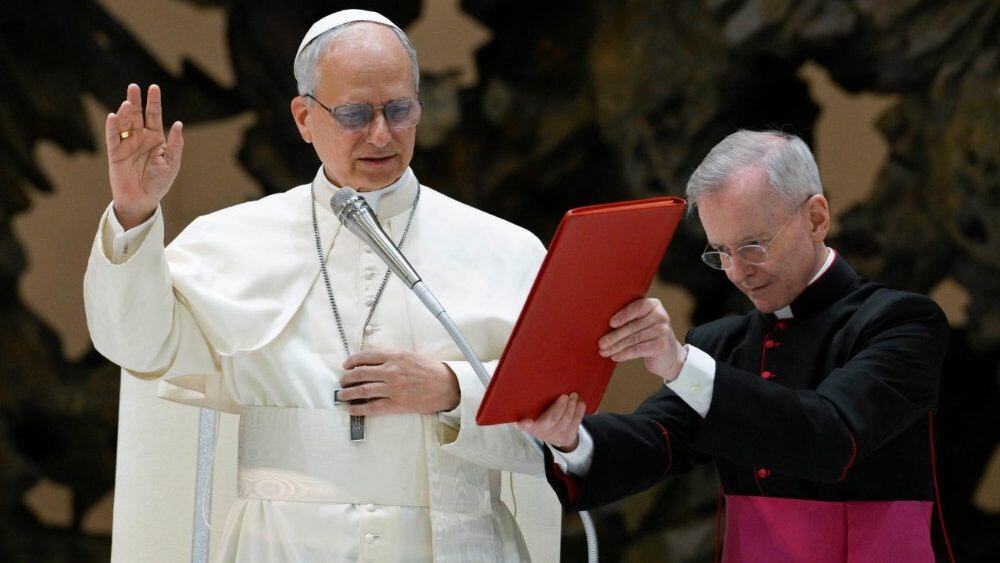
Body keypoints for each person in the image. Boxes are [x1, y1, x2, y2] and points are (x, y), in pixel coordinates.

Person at [84, 9, 559, 562]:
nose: (382, 134)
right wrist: (135, 212)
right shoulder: (231, 240)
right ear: (304, 117)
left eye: (400, 110)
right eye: (356, 113)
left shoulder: (506, 249)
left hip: (456, 543)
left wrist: (454, 390)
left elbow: (560, 418)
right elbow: (135, 345)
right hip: (281, 542)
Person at [520, 130, 950, 562]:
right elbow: (658, 440)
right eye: (721, 251)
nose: (737, 271)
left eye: (753, 246)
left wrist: (681, 366)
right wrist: (572, 439)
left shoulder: (902, 322)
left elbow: (832, 437)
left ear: (816, 218)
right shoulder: (719, 344)